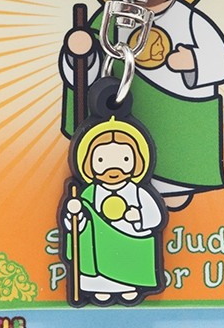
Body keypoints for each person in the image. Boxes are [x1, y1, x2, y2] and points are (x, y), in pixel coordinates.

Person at [60, 0, 224, 211]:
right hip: (119, 115)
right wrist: (80, 53)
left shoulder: (191, 21)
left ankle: (175, 184)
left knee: (175, 163)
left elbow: (221, 63)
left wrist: (194, 63)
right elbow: (83, 71)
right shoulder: (109, 19)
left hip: (181, 115)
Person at [61, 120, 166, 304]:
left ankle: (131, 285)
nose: (113, 168)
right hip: (99, 247)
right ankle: (100, 287)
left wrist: (139, 217)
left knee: (131, 263)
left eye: (124, 160)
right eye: (101, 161)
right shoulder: (90, 193)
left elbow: (155, 217)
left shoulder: (138, 192)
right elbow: (77, 226)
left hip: (132, 244)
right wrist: (75, 212)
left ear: (137, 161)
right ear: (88, 163)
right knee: (97, 259)